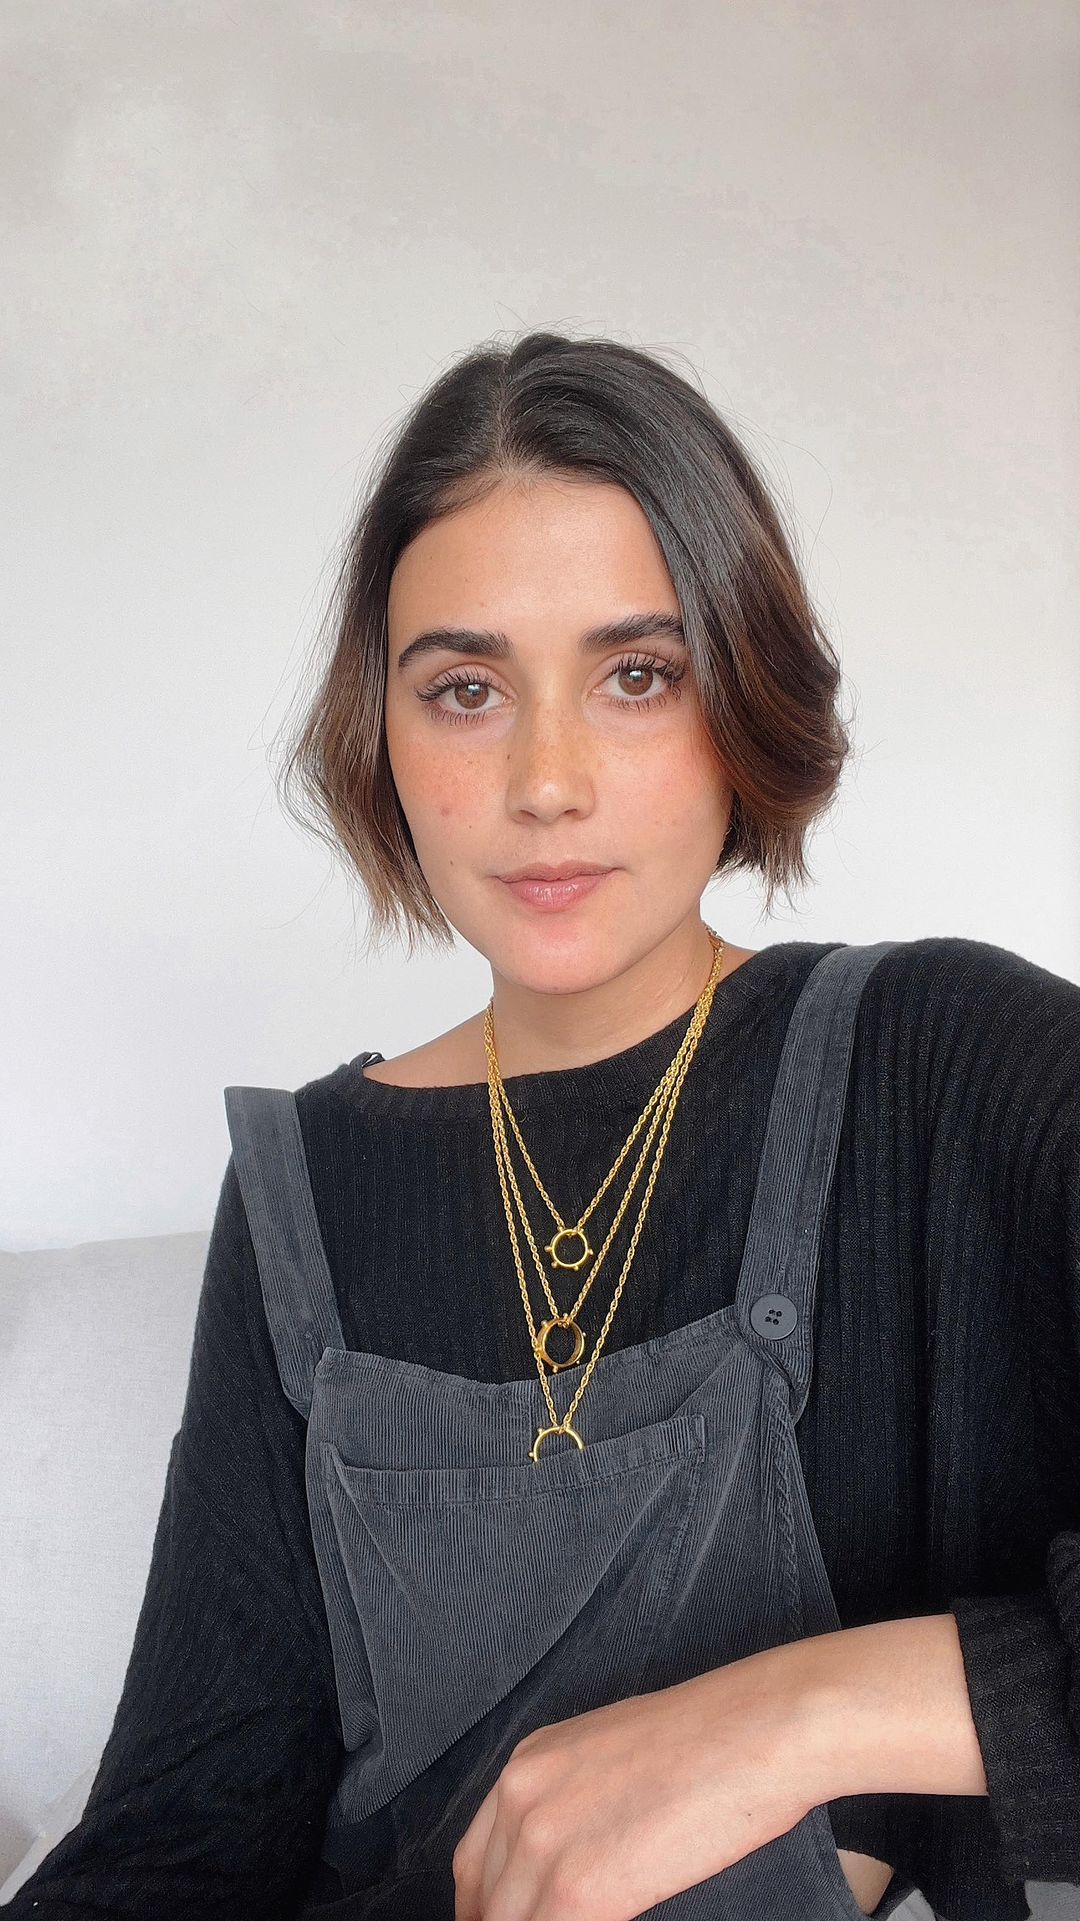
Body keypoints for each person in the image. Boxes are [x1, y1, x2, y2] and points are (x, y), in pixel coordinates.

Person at [8, 331, 1079, 1921]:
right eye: (467, 690)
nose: (547, 780)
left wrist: (799, 1718)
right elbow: (181, 1838)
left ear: (742, 688)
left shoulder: (953, 1063)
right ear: (384, 731)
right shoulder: (308, 1187)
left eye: (637, 674)